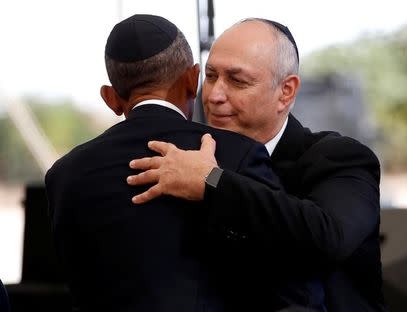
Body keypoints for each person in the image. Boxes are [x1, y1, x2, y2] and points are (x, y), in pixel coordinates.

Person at [127, 18, 387, 311]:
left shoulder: (340, 158)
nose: (214, 96)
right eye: (210, 76)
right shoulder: (192, 162)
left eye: (237, 81)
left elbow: (328, 239)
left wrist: (212, 182)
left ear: (286, 91)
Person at [45, 14, 283, 312]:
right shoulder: (238, 153)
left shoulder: (64, 175)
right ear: (192, 78)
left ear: (110, 98)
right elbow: (282, 273)